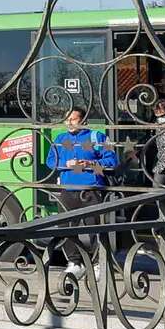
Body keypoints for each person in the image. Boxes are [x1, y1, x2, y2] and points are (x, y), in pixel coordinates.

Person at [44, 105, 120, 275]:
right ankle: (75, 262)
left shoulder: (97, 137)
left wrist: (91, 164)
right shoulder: (60, 138)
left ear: (83, 120)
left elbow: (113, 161)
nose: (69, 122)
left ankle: (97, 263)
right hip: (68, 188)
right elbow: (50, 161)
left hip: (91, 189)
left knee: (94, 228)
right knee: (65, 227)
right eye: (67, 119)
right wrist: (64, 165)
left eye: (73, 119)